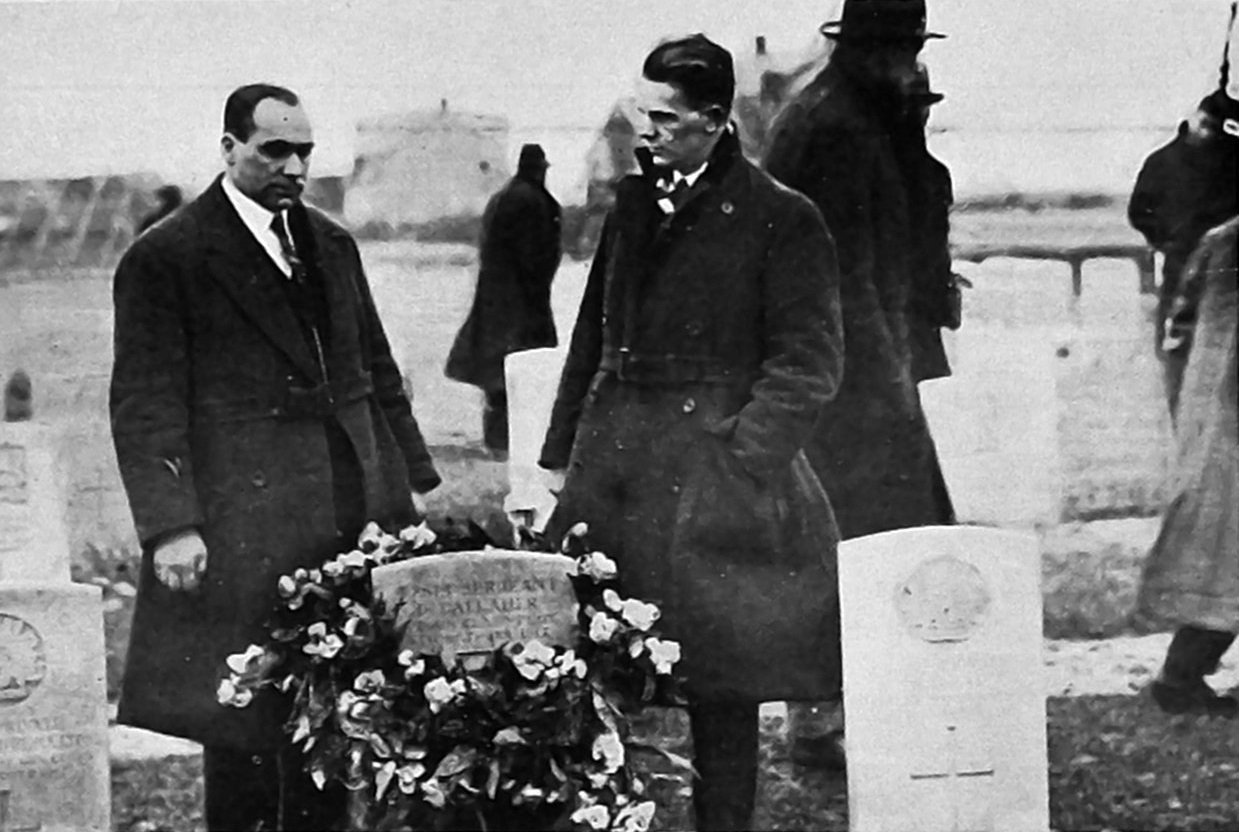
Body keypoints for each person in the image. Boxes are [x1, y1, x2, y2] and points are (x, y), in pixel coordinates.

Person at [110, 83, 441, 830]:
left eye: (304, 152)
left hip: (345, 507)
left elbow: (375, 370)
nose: (294, 167)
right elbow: (145, 401)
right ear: (228, 151)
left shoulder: (330, 243)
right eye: (274, 150)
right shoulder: (169, 256)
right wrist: (171, 526)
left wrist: (410, 479)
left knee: (336, 713)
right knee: (247, 723)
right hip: (241, 520)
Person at [537, 35, 843, 831]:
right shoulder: (632, 206)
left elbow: (807, 364)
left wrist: (744, 460)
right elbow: (590, 341)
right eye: (642, 115)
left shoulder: (782, 216)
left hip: (717, 480)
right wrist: (553, 461)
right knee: (591, 666)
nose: (644, 133)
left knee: (721, 685)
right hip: (615, 472)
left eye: (664, 120)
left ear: (713, 120)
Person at [762, 0, 955, 768]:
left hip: (859, 367)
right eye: (904, 48)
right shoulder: (834, 128)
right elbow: (845, 277)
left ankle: (850, 703)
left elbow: (898, 234)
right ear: (871, 47)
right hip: (845, 380)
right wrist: (893, 385)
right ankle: (817, 718)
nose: (912, 63)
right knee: (850, 540)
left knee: (868, 537)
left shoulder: (858, 114)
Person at [1137, 216, 1239, 718]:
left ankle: (1182, 674)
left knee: (1221, 556)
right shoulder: (1225, 242)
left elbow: (1178, 329)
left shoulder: (1219, 240)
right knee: (1223, 555)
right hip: (1228, 423)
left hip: (1215, 420)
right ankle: (1180, 674)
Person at [445, 143, 562, 456]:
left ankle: (497, 440)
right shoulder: (535, 201)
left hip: (495, 298)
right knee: (520, 369)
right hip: (524, 302)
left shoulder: (502, 197)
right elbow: (537, 256)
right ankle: (509, 442)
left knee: (495, 371)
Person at [1127, 88, 1238, 416]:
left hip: (1195, 265)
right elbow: (1139, 212)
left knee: (1179, 353)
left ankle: (1188, 432)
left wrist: (1166, 240)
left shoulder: (1162, 160)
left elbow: (1138, 212)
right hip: (1217, 270)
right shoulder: (1169, 161)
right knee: (1200, 356)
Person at [893, 63, 961, 383]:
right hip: (902, 315)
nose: (921, 117)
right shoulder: (930, 175)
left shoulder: (932, 175)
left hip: (908, 316)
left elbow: (935, 249)